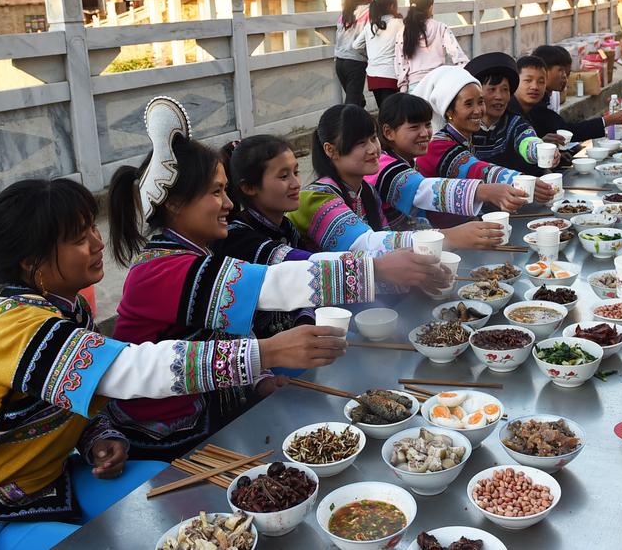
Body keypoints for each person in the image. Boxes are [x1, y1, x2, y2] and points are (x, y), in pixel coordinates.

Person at [0, 176, 350, 547]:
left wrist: (98, 438)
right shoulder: (12, 327)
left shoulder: (70, 309)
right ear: (31, 262)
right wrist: (267, 352)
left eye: (92, 230)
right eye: (80, 238)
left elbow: (73, 400)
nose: (98, 243)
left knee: (184, 505)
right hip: (5, 507)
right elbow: (128, 369)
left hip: (58, 479)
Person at [104, 97, 401, 459]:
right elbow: (270, 283)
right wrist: (373, 269)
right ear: (175, 204)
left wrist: (259, 379)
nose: (229, 204)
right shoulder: (159, 269)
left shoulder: (200, 252)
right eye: (216, 192)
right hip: (164, 437)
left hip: (209, 413)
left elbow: (233, 324)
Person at [213, 134, 453, 339]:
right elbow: (299, 266)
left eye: (296, 172)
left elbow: (307, 297)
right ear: (248, 187)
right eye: (283, 176)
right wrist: (377, 268)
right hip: (265, 354)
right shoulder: (239, 236)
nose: (297, 183)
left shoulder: (286, 226)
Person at [290, 103, 509, 253]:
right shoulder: (316, 198)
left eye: (372, 139)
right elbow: (364, 244)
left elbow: (386, 238)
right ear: (330, 150)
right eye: (360, 143)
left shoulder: (366, 190)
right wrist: (448, 237)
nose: (373, 149)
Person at [369, 93, 528, 231]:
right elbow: (424, 190)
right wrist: (487, 191)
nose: (425, 133)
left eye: (427, 124)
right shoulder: (386, 166)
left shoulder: (408, 160)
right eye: (414, 127)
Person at [412, 65, 554, 205]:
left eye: (480, 102)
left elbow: (525, 139)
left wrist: (540, 151)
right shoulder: (438, 144)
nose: (478, 110)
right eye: (468, 104)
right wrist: (521, 181)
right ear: (449, 111)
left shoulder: (466, 137)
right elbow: (476, 169)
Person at [466, 52, 559, 175]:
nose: (499, 96)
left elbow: (527, 140)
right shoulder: (464, 128)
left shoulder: (515, 124)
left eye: (505, 90)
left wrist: (540, 151)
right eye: (492, 89)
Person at [508, 56, 622, 148]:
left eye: (541, 81)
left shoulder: (533, 106)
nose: (534, 87)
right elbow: (566, 130)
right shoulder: (509, 114)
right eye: (528, 81)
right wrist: (538, 148)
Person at [394, 0, 467, 92]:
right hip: (439, 82)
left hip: (415, 87)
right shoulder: (441, 27)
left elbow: (401, 62)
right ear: (430, 8)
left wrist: (403, 87)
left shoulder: (403, 32)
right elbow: (457, 54)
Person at [353, 0, 402, 109]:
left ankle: (382, 127)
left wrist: (370, 54)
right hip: (390, 74)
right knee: (393, 113)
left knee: (384, 109)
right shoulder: (398, 23)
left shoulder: (370, 25)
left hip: (373, 75)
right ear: (391, 6)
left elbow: (356, 45)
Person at [334, 0, 373, 107]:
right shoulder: (369, 11)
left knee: (356, 100)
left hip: (339, 62)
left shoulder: (345, 13)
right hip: (355, 62)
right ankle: (346, 127)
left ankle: (360, 123)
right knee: (352, 105)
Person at [530, 44, 572, 114]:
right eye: (560, 70)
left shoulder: (554, 93)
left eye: (567, 74)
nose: (565, 76)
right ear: (544, 71)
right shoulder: (533, 100)